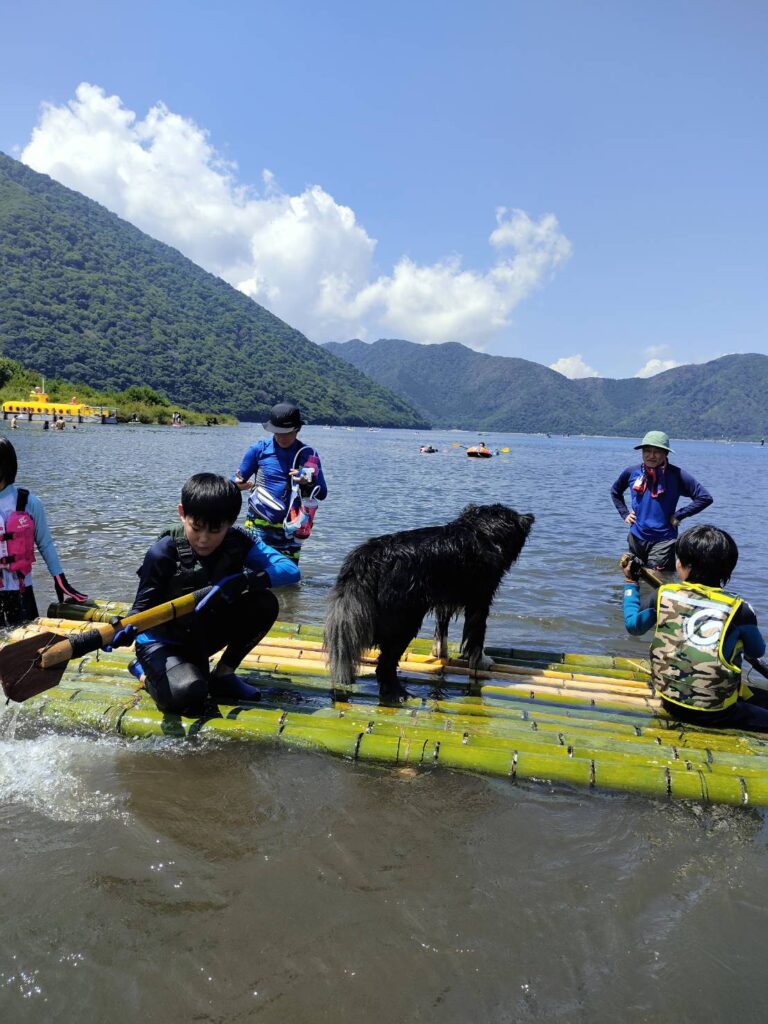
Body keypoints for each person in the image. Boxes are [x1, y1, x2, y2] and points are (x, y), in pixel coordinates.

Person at [121, 473, 300, 715]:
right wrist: (127, 629)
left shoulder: (240, 541)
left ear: (230, 522)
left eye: (215, 530)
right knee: (189, 695)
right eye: (196, 527)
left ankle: (224, 674)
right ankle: (142, 671)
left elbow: (290, 570)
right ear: (182, 513)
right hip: (161, 642)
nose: (204, 538)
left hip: (202, 636)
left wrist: (246, 580)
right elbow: (140, 608)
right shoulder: (162, 552)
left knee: (265, 602)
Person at [622, 523, 768, 731]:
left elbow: (633, 626)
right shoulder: (740, 610)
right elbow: (757, 651)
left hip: (670, 700)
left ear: (683, 565)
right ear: (728, 569)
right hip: (717, 712)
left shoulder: (664, 594)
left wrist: (630, 583)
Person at [0, 437, 87, 626]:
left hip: (21, 590)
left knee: (26, 649)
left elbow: (45, 544)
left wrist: (60, 578)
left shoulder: (29, 503)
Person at [233, 401, 328, 563]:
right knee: (253, 576)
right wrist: (235, 485)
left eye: (287, 433)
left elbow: (323, 493)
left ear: (298, 429)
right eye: (277, 432)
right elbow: (237, 480)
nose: (281, 437)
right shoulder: (259, 450)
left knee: (288, 578)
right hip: (257, 527)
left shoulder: (308, 455)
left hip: (291, 531)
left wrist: (308, 482)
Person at [610, 430, 713, 570]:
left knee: (657, 578)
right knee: (633, 573)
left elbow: (704, 497)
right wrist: (624, 513)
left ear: (666, 453)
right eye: (647, 451)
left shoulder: (677, 475)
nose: (651, 456)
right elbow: (615, 492)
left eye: (657, 452)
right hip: (636, 536)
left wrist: (679, 515)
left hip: (664, 539)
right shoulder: (632, 472)